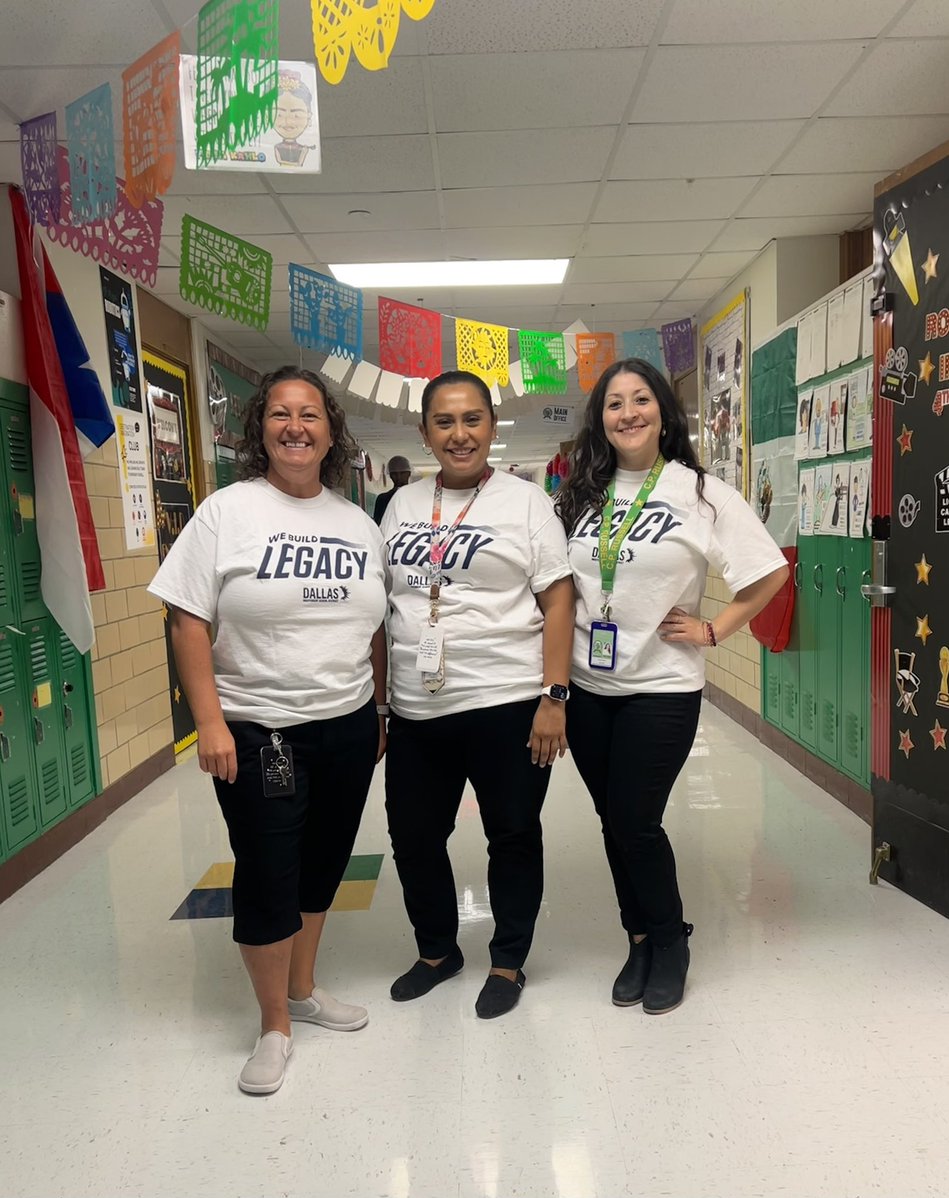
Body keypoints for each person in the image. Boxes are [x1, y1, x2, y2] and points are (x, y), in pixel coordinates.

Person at [148, 366, 388, 1095]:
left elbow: (376, 627)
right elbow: (188, 618)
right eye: (280, 414)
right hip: (257, 729)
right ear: (260, 429)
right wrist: (210, 721)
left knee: (323, 866)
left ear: (329, 431)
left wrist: (376, 710)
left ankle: (305, 991)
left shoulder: (355, 522)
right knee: (266, 873)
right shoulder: (226, 512)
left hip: (345, 723)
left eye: (309, 414)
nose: (295, 426)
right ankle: (273, 1023)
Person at [555, 358, 788, 1015]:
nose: (626, 413)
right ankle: (638, 939)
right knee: (612, 822)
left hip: (660, 686)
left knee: (635, 820)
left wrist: (715, 629)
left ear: (662, 412)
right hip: (586, 684)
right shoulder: (581, 494)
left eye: (639, 400)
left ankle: (669, 939)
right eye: (613, 404)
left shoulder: (698, 491)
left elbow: (767, 572)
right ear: (599, 419)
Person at [380, 370, 574, 1019]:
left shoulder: (525, 502)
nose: (458, 434)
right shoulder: (402, 504)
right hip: (417, 705)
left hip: (506, 700)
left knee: (512, 834)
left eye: (471, 420)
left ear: (489, 426)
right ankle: (437, 950)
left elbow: (557, 599)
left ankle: (508, 960)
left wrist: (554, 697)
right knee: (412, 836)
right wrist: (382, 704)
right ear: (425, 432)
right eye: (444, 421)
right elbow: (385, 604)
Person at [373, 454, 412, 525]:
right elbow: (378, 524)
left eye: (402, 473)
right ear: (390, 475)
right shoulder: (382, 499)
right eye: (394, 474)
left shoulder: (416, 497)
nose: (398, 477)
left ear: (409, 473)